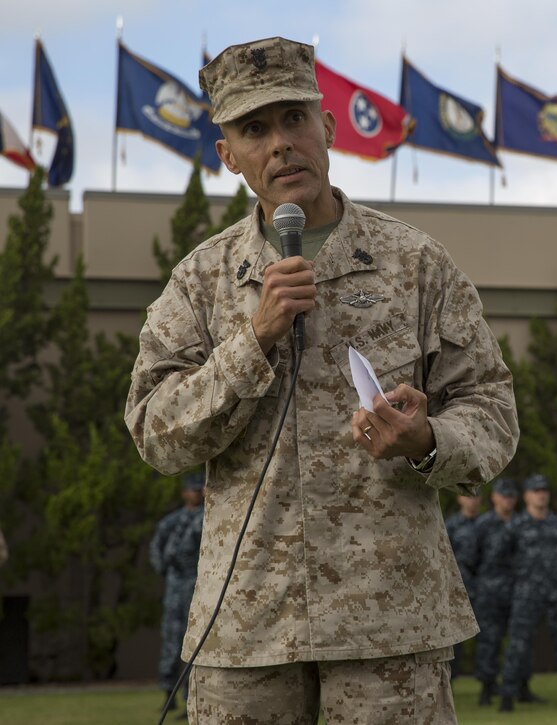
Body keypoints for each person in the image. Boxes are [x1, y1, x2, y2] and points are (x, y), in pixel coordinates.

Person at [125, 36, 518, 724]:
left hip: (389, 629)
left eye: (294, 119)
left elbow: (492, 412)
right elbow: (156, 432)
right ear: (227, 156)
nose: (280, 144)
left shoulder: (417, 263)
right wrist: (254, 340)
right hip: (246, 632)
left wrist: (427, 436)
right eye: (254, 129)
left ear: (328, 128)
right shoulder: (201, 281)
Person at [497, 473, 557, 712]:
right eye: (536, 490)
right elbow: (499, 558)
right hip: (526, 594)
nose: (541, 494)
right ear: (527, 496)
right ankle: (507, 696)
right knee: (518, 646)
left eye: (544, 490)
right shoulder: (515, 527)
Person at [150, 472, 205, 714]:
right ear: (185, 493)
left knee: (194, 643)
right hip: (175, 586)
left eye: (199, 489)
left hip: (195, 585)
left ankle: (190, 697)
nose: (196, 493)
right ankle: (168, 693)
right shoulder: (173, 521)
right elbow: (156, 545)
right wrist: (162, 567)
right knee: (171, 641)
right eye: (192, 490)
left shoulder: (206, 519)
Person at [473, 478, 522, 706]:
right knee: (489, 642)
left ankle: (521, 685)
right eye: (503, 495)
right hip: (490, 593)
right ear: (494, 498)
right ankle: (487, 687)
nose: (507, 500)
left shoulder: (523, 524)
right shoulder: (483, 525)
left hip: (518, 592)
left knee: (518, 641)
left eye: (511, 496)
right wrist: (477, 588)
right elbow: (470, 560)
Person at [445, 492, 482, 680]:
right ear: (460, 498)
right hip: (459, 588)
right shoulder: (451, 525)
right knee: (456, 637)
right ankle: (451, 681)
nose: (472, 500)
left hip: (484, 588)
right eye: (468, 496)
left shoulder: (486, 525)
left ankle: (488, 685)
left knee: (487, 639)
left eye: (476, 496)